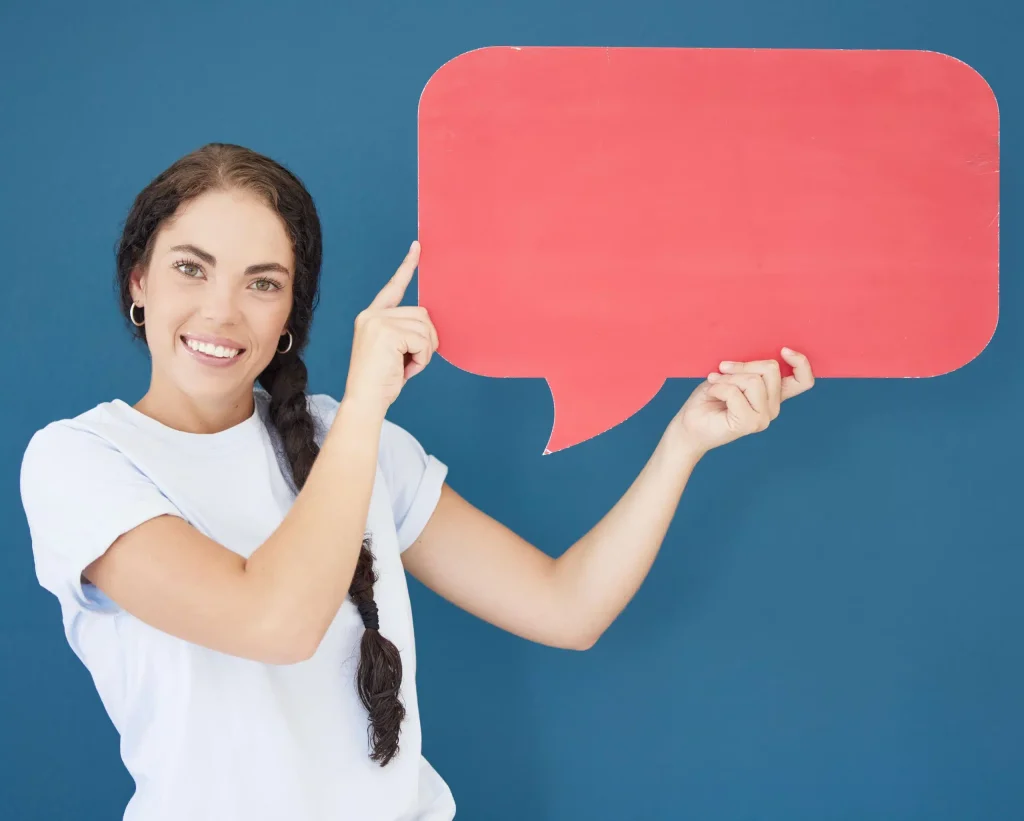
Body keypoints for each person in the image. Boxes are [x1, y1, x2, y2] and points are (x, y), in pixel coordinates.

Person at [19, 142, 815, 821]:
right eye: (191, 268)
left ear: (292, 311)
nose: (222, 311)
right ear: (138, 281)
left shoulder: (349, 438)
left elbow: (567, 606)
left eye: (263, 282)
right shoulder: (79, 462)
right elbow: (273, 620)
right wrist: (364, 405)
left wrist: (686, 440)